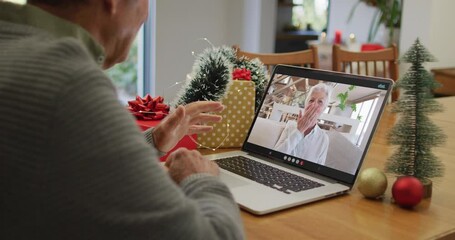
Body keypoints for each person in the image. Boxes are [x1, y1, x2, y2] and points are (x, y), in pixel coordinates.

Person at [0, 1, 244, 239]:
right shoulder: (68, 82)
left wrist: (151, 141)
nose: (146, 14)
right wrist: (200, 178)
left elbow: (64, 159)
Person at [274, 83, 332, 165]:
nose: (314, 105)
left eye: (320, 102)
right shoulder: (290, 126)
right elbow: (275, 156)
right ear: (306, 104)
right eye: (311, 100)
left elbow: (318, 170)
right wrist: (299, 131)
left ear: (324, 109)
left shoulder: (323, 139)